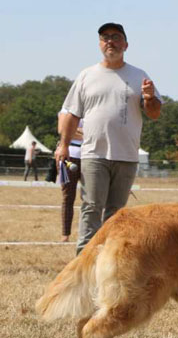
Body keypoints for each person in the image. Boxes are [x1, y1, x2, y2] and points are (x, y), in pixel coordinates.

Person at [57, 23, 162, 254]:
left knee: (116, 212)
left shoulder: (139, 76)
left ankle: (109, 259)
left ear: (126, 44)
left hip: (126, 154)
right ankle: (84, 258)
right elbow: (70, 113)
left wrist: (149, 98)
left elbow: (154, 113)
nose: (110, 41)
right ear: (99, 44)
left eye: (115, 37)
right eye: (105, 37)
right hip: (94, 153)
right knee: (92, 207)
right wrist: (63, 145)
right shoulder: (87, 75)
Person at [57, 110, 83, 242]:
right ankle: (65, 233)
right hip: (69, 157)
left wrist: (73, 130)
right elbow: (62, 129)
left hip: (90, 156)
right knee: (68, 197)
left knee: (91, 198)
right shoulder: (66, 108)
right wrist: (88, 133)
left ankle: (87, 233)